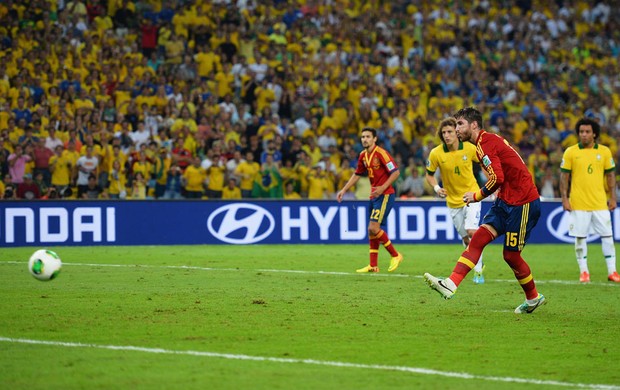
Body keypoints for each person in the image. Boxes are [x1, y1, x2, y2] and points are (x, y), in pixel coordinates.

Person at [424, 107, 546, 314]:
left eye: (460, 124)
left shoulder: (485, 143)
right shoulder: (482, 144)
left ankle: (533, 298)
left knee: (511, 256)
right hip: (506, 200)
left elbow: (498, 178)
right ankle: (450, 284)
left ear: (474, 125)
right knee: (479, 238)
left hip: (523, 202)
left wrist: (477, 195)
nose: (456, 128)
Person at [425, 117, 486, 284]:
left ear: (457, 132)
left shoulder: (468, 148)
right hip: (453, 202)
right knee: (466, 239)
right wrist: (437, 188)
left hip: (472, 196)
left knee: (472, 231)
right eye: (444, 132)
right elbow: (429, 175)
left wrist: (490, 182)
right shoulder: (436, 153)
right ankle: (476, 262)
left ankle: (478, 270)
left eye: (450, 131)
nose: (447, 135)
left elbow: (484, 162)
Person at [560, 118, 620, 283]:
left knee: (608, 236)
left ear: (594, 134)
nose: (584, 135)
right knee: (580, 238)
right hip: (578, 203)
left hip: (600, 203)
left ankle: (612, 271)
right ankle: (584, 271)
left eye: (587, 132)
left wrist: (613, 197)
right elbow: (564, 177)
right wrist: (565, 199)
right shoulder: (571, 152)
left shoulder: (605, 152)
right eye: (581, 132)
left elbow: (610, 176)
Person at [336, 127, 403, 273]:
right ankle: (373, 265)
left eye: (368, 136)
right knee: (371, 230)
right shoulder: (362, 156)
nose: (365, 139)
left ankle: (396, 255)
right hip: (374, 196)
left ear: (375, 139)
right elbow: (357, 174)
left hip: (385, 195)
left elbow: (396, 172)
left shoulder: (382, 154)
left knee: (374, 228)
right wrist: (344, 190)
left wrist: (382, 187)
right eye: (363, 137)